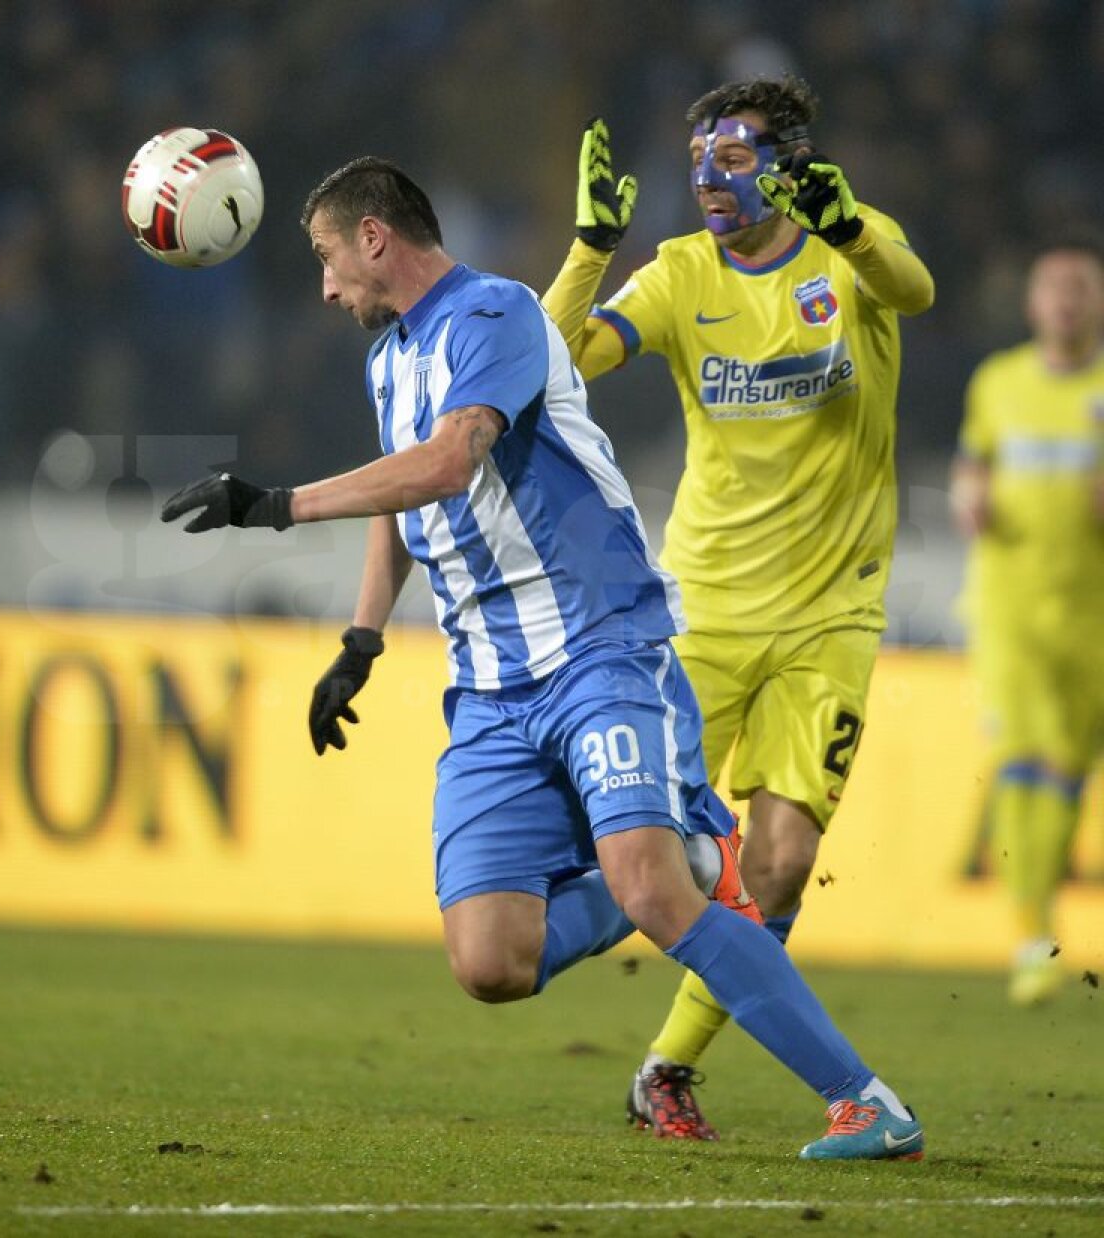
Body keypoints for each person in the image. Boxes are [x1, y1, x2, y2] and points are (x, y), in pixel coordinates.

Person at [160, 155, 924, 1160]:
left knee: (654, 892)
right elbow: (405, 498)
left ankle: (867, 1101)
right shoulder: (388, 360)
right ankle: (681, 853)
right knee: (491, 960)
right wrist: (359, 640)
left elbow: (445, 461)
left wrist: (277, 504)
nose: (326, 283)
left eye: (326, 255)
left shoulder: (497, 318)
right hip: (488, 687)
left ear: (375, 237)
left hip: (598, 645)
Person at [541, 76, 934, 1138]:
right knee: (644, 852)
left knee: (785, 856)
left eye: (736, 156)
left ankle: (666, 1065)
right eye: (701, 159)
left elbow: (915, 289)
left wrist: (848, 225)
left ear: (789, 166)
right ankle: (511, 941)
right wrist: (590, 249)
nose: (711, 178)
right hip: (703, 613)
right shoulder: (679, 275)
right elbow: (554, 361)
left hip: (830, 615)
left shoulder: (850, 256)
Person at [950, 241, 1104, 1006]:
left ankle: (1038, 921)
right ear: (1034, 303)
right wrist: (969, 497)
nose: (1067, 300)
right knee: (1022, 755)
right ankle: (1031, 934)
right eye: (1055, 287)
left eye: (1081, 287)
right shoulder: (1000, 381)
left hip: (1091, 612)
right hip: (1008, 603)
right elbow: (971, 464)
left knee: (1068, 770)